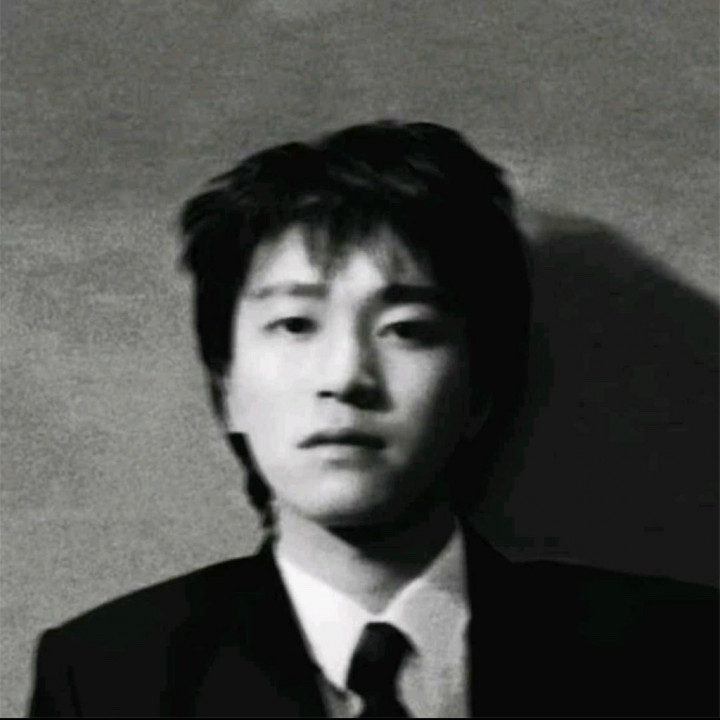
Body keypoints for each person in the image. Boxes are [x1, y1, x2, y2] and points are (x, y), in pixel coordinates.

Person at [28, 121, 718, 718]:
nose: (346, 377)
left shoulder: (678, 654)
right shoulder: (109, 679)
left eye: (407, 329)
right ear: (227, 385)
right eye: (295, 324)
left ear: (480, 389)